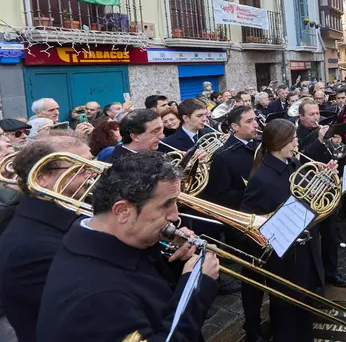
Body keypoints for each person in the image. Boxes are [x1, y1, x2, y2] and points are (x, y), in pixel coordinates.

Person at [36, 152, 219, 341]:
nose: (175, 216)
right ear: (123, 211)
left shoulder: (109, 237)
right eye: (167, 204)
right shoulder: (98, 296)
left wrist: (175, 259)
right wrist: (196, 285)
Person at [0, 131, 92, 342]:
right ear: (41, 178)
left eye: (92, 163)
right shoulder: (30, 248)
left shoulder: (76, 211)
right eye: (80, 167)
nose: (95, 173)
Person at [241, 119, 324, 342]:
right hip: (285, 259)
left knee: (303, 307)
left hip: (304, 250)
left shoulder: (292, 163)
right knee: (288, 313)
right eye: (293, 138)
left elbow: (306, 197)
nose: (297, 142)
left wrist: (323, 181)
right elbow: (250, 226)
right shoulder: (260, 178)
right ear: (279, 143)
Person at [296, 99, 346, 288]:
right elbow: (301, 159)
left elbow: (335, 157)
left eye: (317, 113)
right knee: (312, 239)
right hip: (309, 193)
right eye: (311, 114)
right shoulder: (297, 134)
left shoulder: (325, 130)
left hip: (327, 190)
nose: (316, 117)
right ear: (301, 117)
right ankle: (315, 277)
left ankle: (332, 272)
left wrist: (335, 144)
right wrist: (319, 140)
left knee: (331, 235)